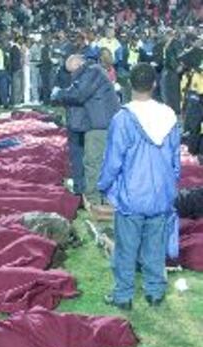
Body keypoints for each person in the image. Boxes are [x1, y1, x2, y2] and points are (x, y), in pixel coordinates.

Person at [98, 63, 181, 310]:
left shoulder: (123, 118)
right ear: (155, 84)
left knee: (126, 249)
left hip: (132, 195)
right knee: (156, 247)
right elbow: (176, 159)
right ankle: (155, 292)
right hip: (161, 194)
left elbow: (113, 160)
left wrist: (104, 186)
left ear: (129, 84)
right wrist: (169, 184)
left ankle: (123, 296)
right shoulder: (169, 115)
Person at [53, 54, 119, 204]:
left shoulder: (93, 72)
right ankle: (94, 196)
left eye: (72, 71)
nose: (72, 76)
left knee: (94, 162)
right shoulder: (90, 72)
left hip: (100, 124)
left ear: (78, 65)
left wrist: (59, 94)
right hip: (96, 122)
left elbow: (78, 94)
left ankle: (94, 200)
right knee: (94, 161)